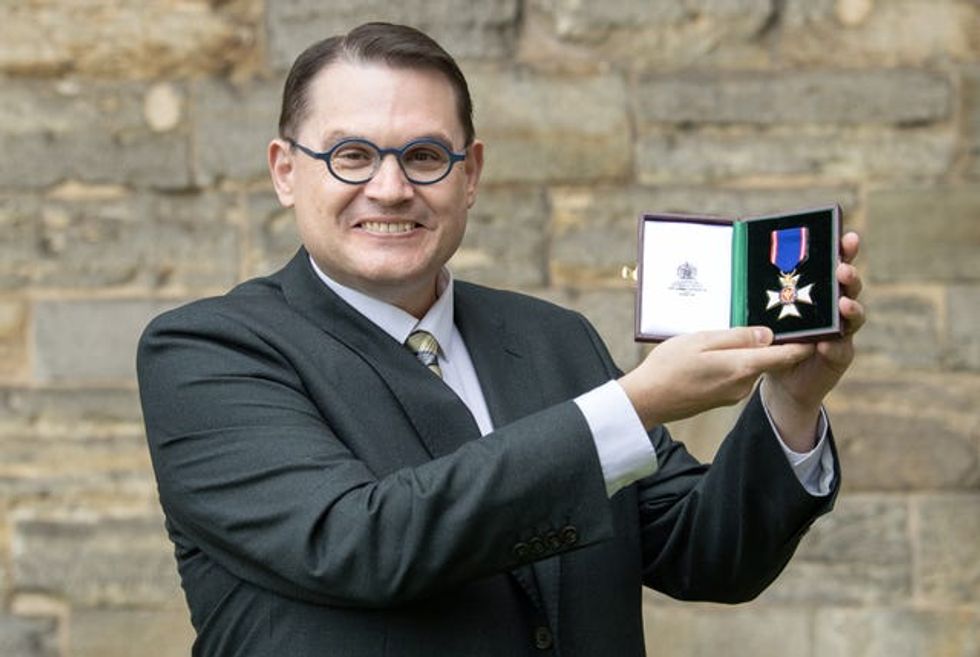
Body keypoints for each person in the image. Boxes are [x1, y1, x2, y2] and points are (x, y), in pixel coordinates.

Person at [137, 22, 865, 657]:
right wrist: (633, 403)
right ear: (286, 172)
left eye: (425, 156)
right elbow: (360, 542)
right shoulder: (207, 351)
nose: (390, 188)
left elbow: (709, 554)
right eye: (351, 155)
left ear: (471, 175)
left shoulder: (554, 340)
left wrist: (791, 402)